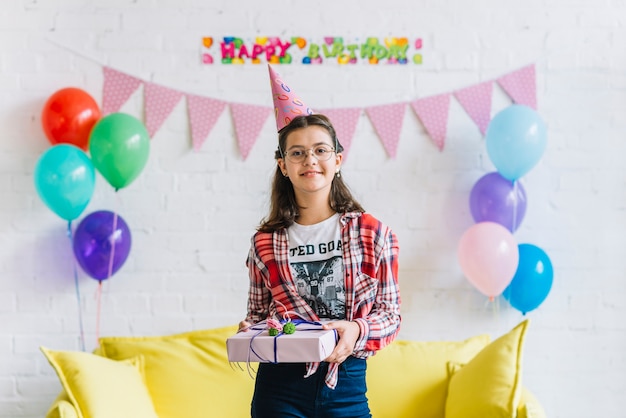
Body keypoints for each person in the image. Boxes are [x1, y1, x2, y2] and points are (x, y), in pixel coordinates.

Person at [237, 67, 401, 418]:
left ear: (337, 160)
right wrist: (250, 331)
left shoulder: (374, 234)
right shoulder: (264, 243)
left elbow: (390, 315)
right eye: (296, 153)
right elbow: (258, 315)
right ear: (283, 165)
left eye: (320, 150)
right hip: (278, 390)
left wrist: (357, 328)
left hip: (347, 387)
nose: (309, 160)